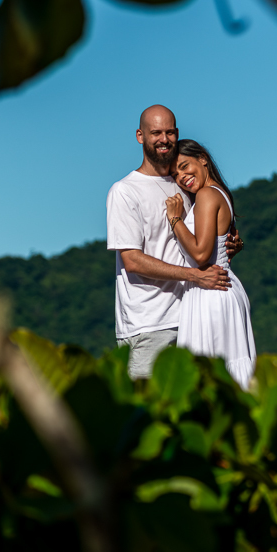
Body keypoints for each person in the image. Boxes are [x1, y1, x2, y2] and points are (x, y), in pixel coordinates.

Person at [106, 105, 241, 379]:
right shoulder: (125, 191)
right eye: (155, 132)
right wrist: (195, 275)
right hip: (149, 323)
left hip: (194, 317)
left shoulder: (186, 184)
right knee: (149, 412)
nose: (163, 139)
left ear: (177, 134)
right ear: (140, 136)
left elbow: (200, 244)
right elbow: (132, 260)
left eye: (169, 132)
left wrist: (229, 247)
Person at [164, 140, 256, 389]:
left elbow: (201, 254)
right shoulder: (219, 193)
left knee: (211, 377)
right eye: (176, 174)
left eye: (185, 166)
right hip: (221, 287)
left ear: (203, 158)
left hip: (211, 293)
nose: (182, 177)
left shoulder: (206, 194)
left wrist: (175, 220)